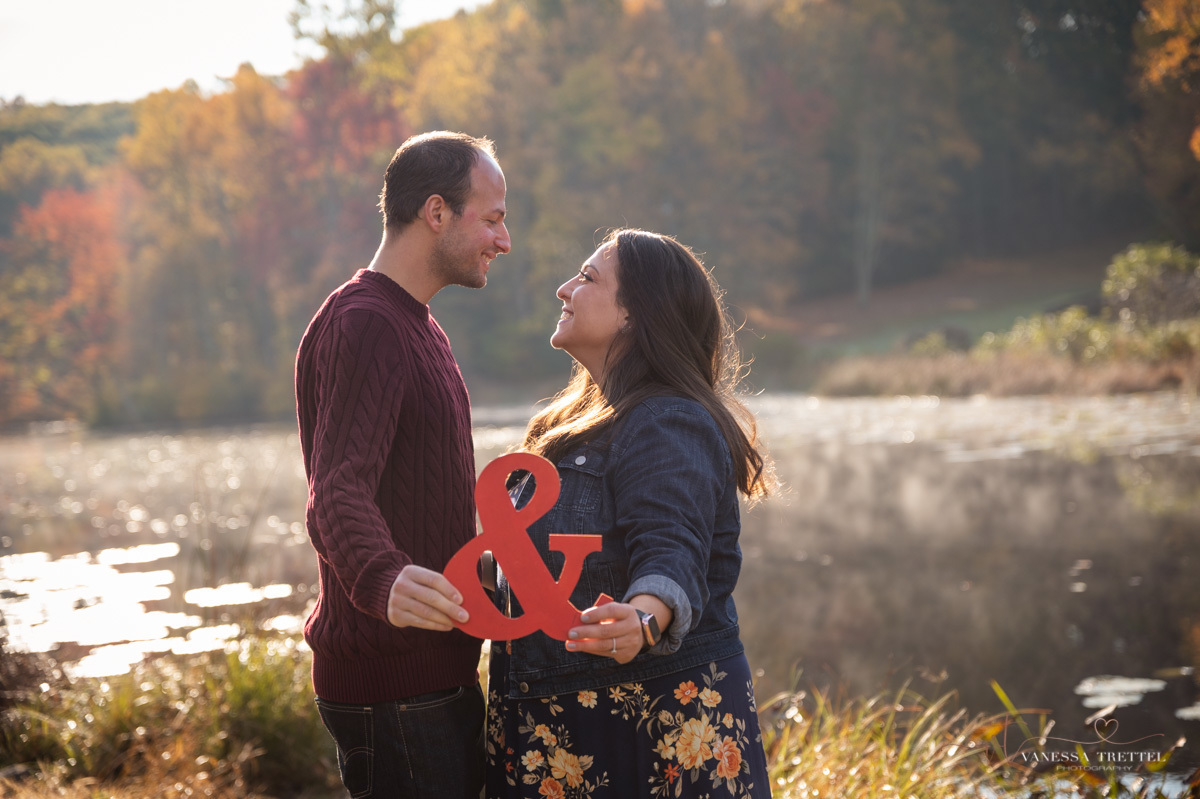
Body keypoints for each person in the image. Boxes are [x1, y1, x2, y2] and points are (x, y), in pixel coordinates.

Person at [484, 229, 774, 798]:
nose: (564, 288)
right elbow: (534, 567)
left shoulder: (665, 420)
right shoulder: (568, 428)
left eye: (588, 278)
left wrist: (643, 620)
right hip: (562, 730)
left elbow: (672, 549)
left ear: (634, 315)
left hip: (648, 739)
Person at [295, 130, 511, 798]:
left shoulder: (414, 323)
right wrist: (383, 578)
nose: (503, 240)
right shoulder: (368, 323)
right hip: (397, 691)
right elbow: (336, 491)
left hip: (427, 677)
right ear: (437, 212)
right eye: (493, 219)